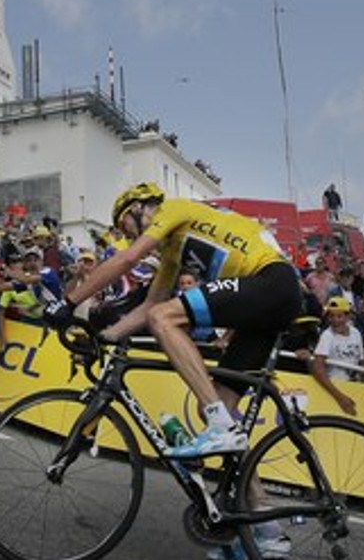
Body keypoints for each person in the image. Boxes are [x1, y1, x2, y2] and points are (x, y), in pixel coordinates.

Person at [54, 183, 302, 459]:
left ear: (138, 208)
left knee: (163, 319)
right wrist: (104, 338)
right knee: (215, 404)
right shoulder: (172, 253)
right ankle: (252, 497)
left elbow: (128, 259)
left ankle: (220, 427)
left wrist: (68, 303)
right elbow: (149, 304)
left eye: (126, 226)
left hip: (271, 280)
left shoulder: (173, 208)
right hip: (267, 309)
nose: (128, 235)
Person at [309, 297, 362, 415]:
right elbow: (318, 369)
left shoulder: (356, 333)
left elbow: (358, 360)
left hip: (354, 386)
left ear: (348, 317)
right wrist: (339, 396)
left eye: (339, 316)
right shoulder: (327, 336)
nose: (335, 320)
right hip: (334, 389)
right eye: (331, 316)